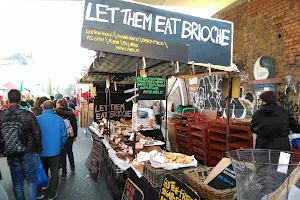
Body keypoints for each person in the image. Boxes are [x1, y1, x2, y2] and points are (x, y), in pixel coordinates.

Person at [0, 89, 42, 200]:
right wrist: (39, 149)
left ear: (8, 100)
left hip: (11, 151)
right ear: (20, 99)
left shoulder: (1, 115)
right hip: (29, 151)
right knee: (31, 181)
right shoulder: (28, 114)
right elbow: (37, 132)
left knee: (17, 181)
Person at [37, 100, 67, 200]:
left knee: (42, 170)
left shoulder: (37, 119)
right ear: (53, 108)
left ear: (43, 108)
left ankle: (41, 190)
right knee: (54, 172)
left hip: (41, 151)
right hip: (55, 151)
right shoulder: (59, 120)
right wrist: (61, 146)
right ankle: (51, 193)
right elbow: (64, 136)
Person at [56, 99, 77, 179]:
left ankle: (64, 173)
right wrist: (75, 136)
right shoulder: (71, 113)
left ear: (60, 105)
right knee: (70, 151)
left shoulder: (56, 113)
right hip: (70, 136)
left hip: (61, 136)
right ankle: (72, 167)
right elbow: (74, 125)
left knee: (62, 154)